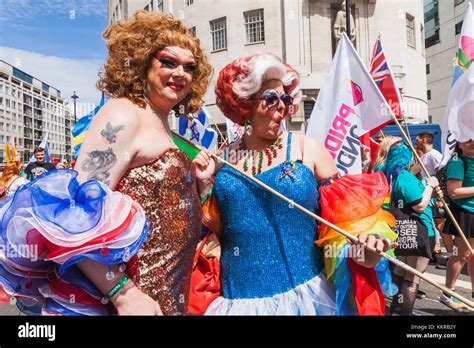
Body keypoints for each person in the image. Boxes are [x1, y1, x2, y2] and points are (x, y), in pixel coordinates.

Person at [0, 10, 212, 316]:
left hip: (166, 300)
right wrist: (123, 294)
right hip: (130, 303)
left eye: (189, 67)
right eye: (168, 62)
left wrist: (201, 186)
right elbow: (72, 215)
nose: (180, 73)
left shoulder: (162, 124)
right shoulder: (124, 114)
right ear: (142, 63)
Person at [193, 52, 397, 315]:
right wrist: (204, 185)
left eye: (285, 98)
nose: (282, 106)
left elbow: (343, 231)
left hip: (305, 302)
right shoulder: (222, 158)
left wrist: (365, 251)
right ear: (244, 103)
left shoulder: (307, 150)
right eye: (270, 98)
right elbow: (208, 231)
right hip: (237, 303)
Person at [383, 143, 443, 315]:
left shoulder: (392, 175)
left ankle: (392, 308)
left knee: (401, 271)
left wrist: (428, 188)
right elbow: (420, 206)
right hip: (419, 229)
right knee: (413, 276)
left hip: (403, 229)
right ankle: (405, 313)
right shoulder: (404, 177)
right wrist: (430, 185)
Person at [439, 140, 474, 313]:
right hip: (465, 212)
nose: (472, 142)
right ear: (459, 143)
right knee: (463, 254)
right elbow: (454, 192)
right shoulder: (457, 161)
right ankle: (448, 293)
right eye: (467, 139)